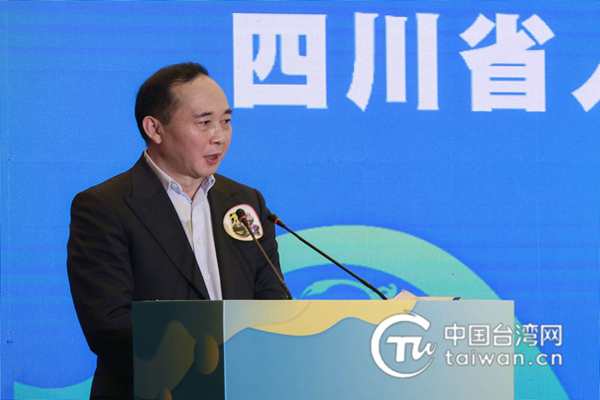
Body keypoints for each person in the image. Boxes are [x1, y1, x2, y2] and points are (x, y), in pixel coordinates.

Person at [67, 62, 287, 399]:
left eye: (226, 121)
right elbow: (109, 326)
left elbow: (273, 304)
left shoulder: (245, 202)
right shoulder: (105, 207)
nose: (219, 136)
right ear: (155, 129)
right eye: (204, 123)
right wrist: (212, 367)